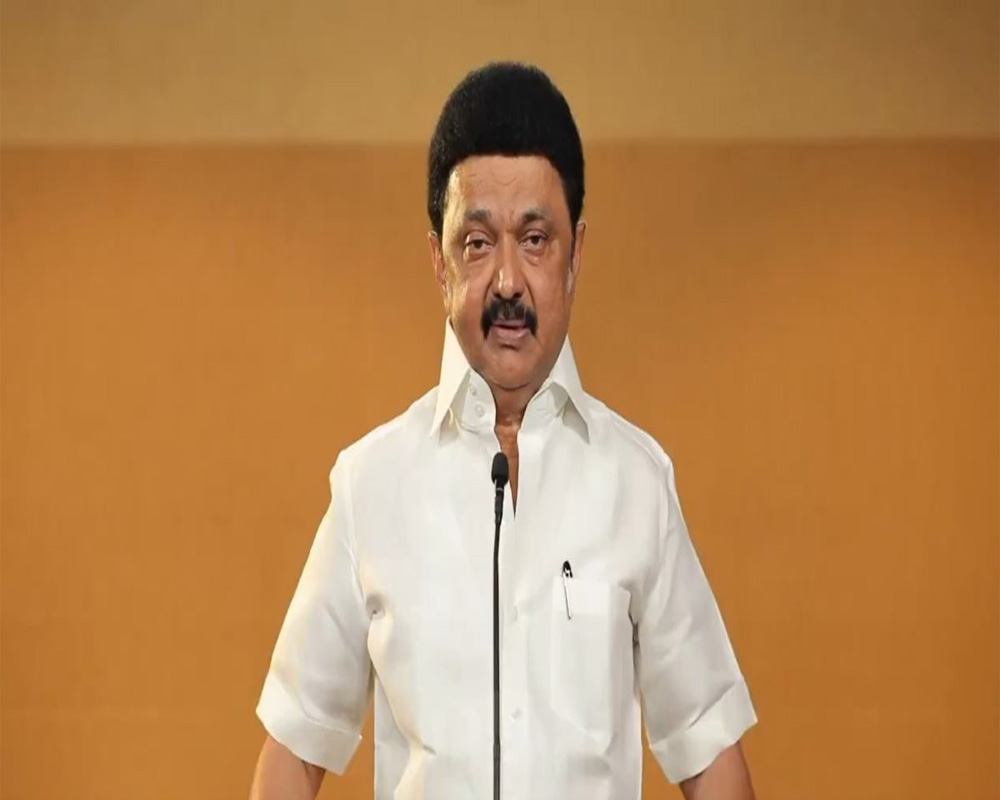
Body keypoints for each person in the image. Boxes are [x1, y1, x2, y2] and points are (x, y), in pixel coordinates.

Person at [249, 62, 757, 800]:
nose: (509, 282)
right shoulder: (370, 485)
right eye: (478, 243)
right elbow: (294, 746)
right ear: (439, 262)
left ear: (576, 255)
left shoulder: (637, 482)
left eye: (536, 239)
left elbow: (708, 748)